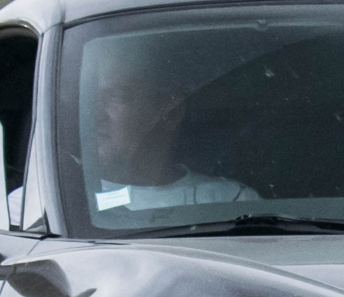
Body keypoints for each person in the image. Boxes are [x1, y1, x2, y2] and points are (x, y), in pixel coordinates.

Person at [84, 62, 256, 213]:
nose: (95, 114)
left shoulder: (229, 203)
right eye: (88, 99)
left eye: (117, 95)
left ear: (171, 113)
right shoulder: (70, 200)